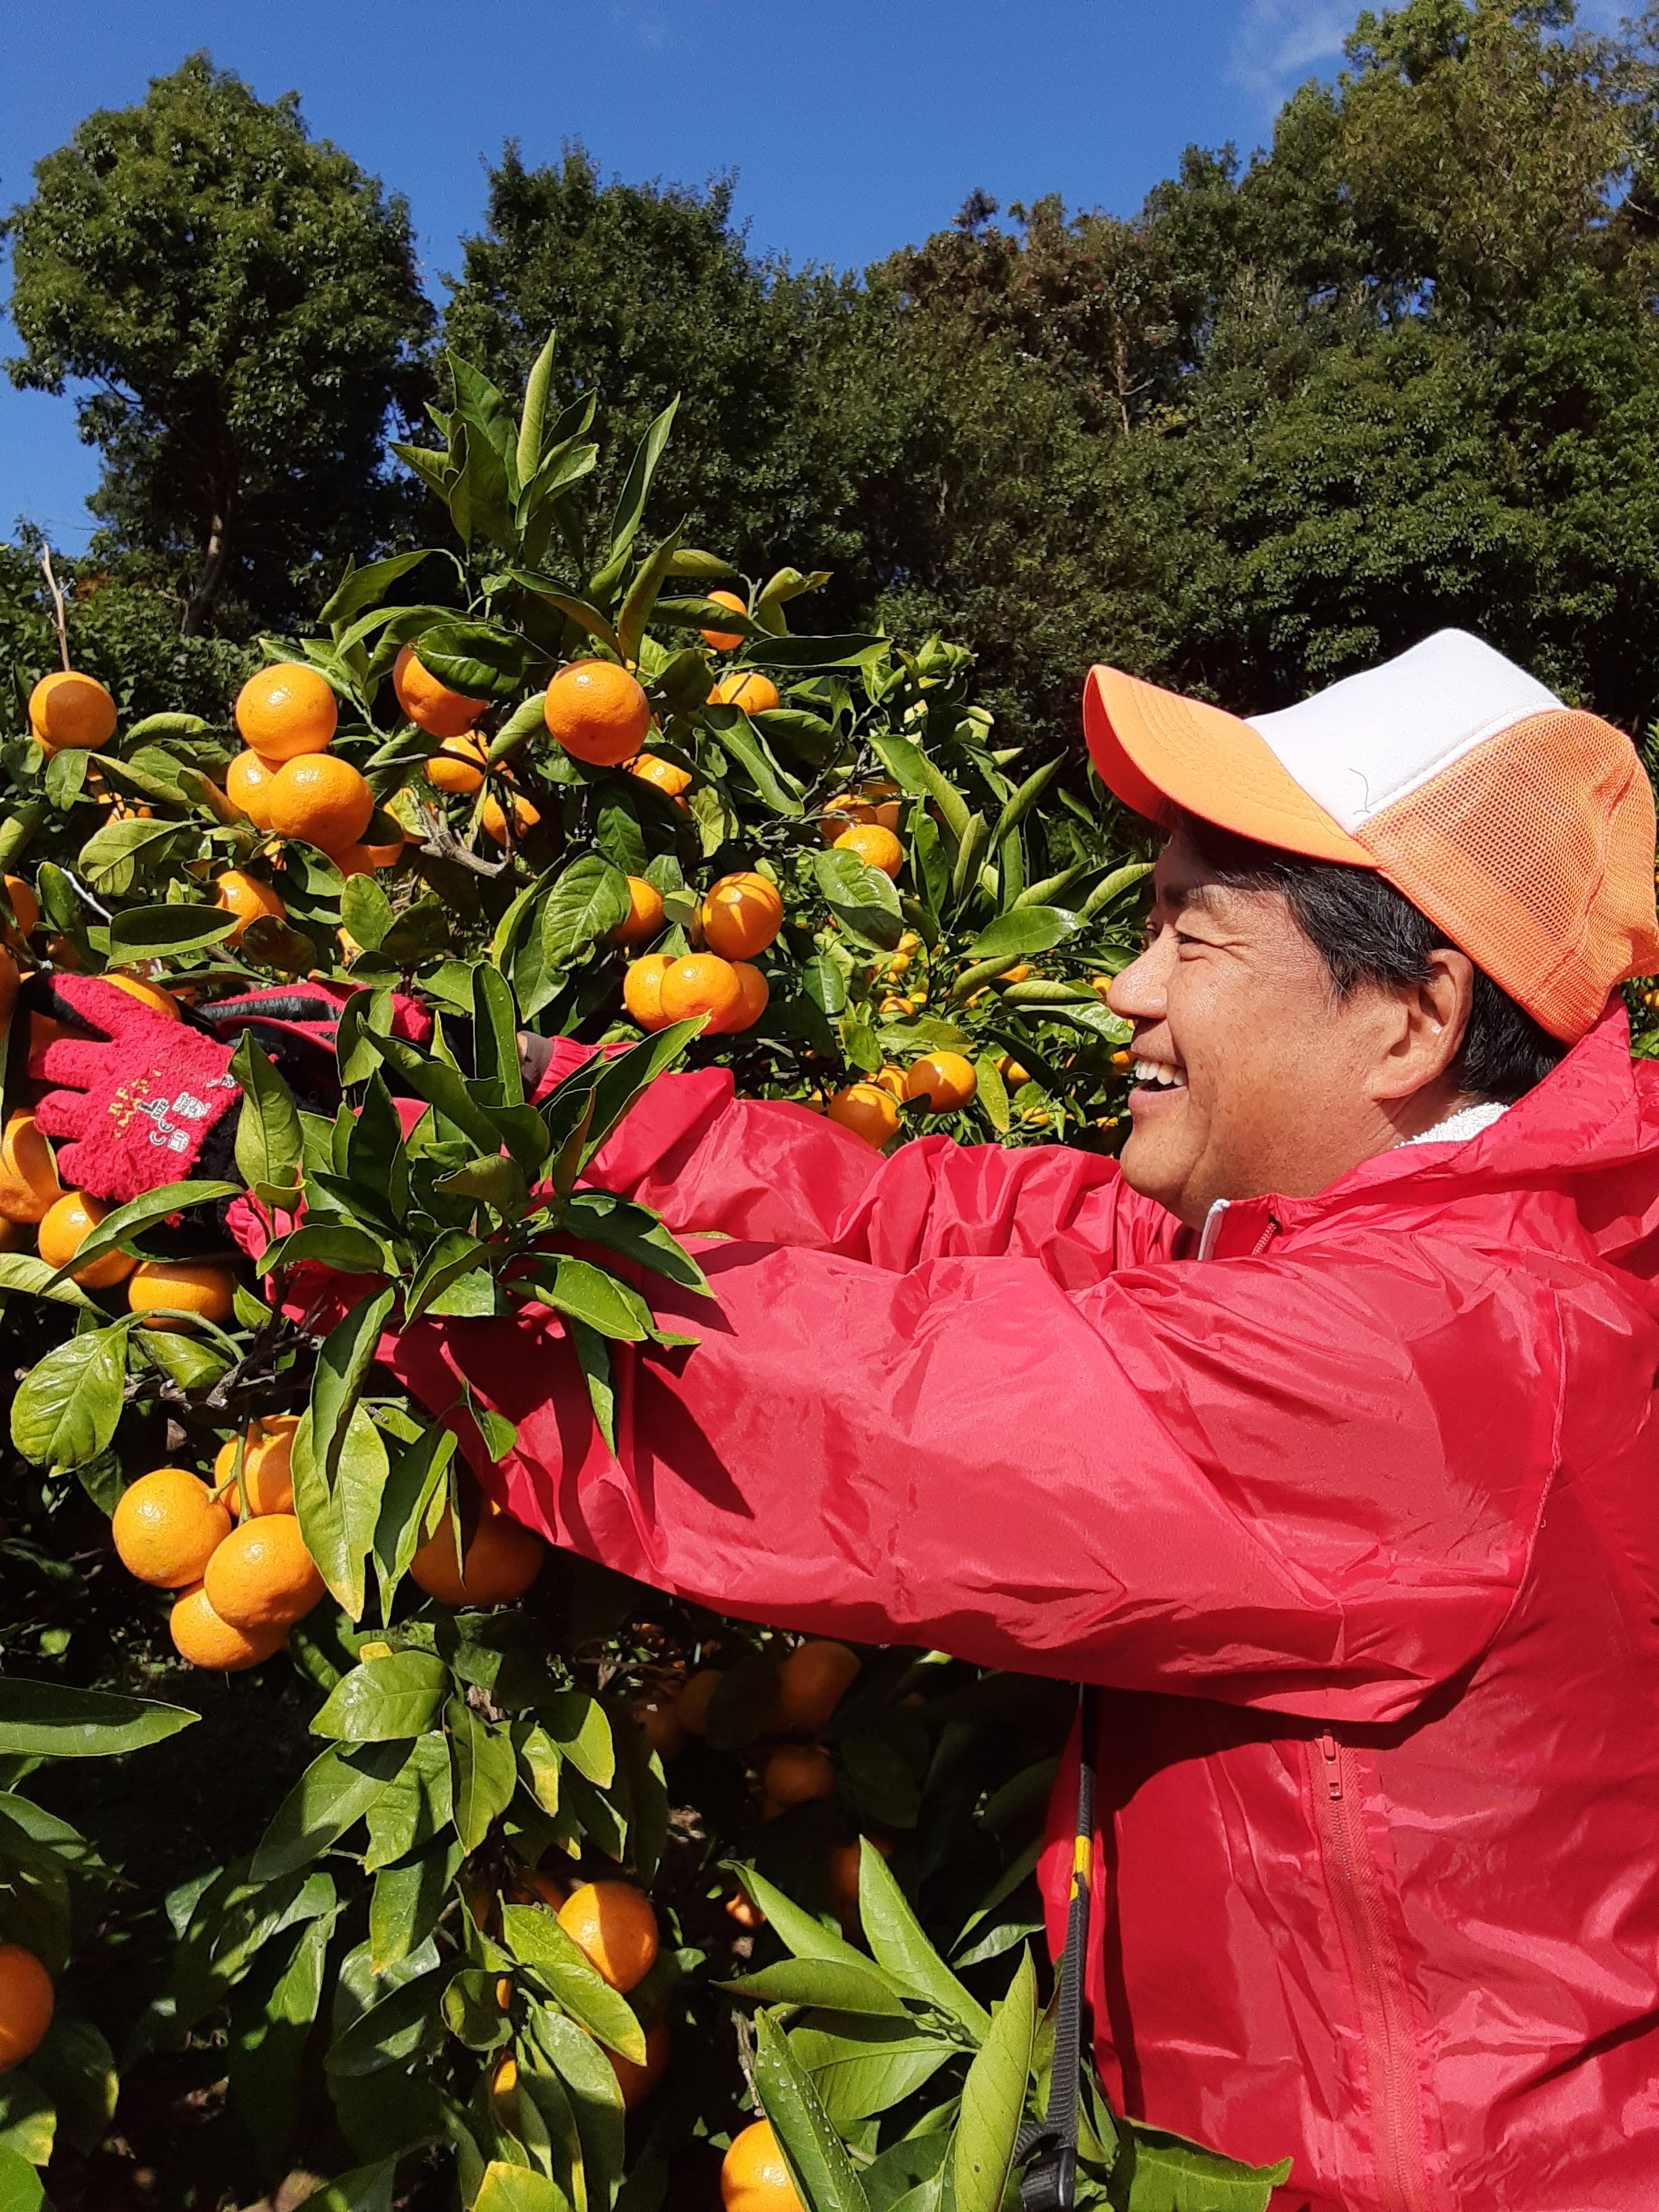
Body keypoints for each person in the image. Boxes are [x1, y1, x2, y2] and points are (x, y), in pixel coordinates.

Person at [30, 629, 1659, 2211]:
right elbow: (906, 1213)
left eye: (1191, 937)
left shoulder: (1436, 1353)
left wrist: (315, 1198)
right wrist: (466, 1092)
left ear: (1415, 1016)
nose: (1123, 989)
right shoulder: (1387, 1247)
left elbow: (856, 1416)